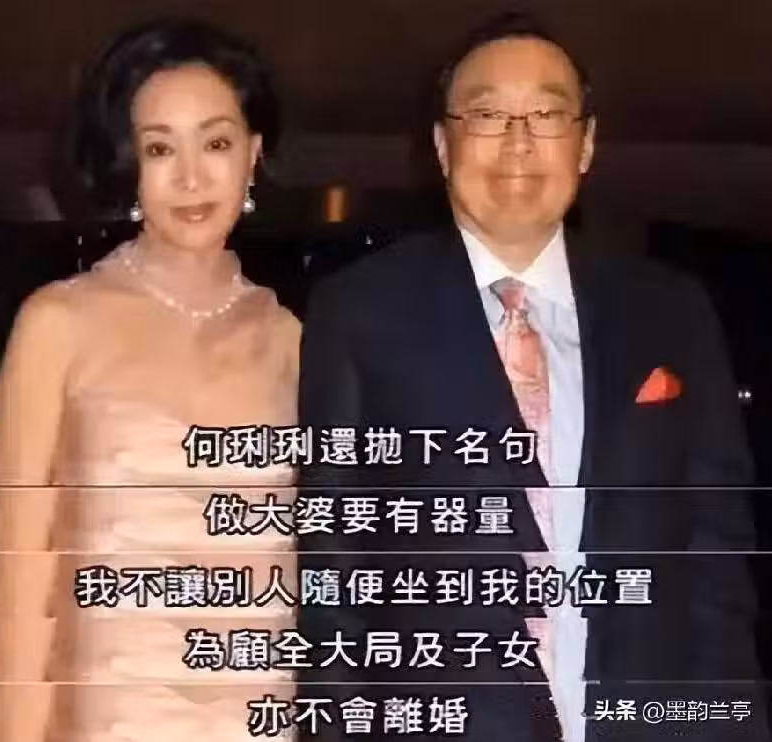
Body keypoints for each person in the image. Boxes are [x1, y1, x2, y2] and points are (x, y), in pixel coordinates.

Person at [298, 13, 766, 742]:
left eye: (547, 115)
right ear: (442, 145)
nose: (518, 141)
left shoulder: (670, 310)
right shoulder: (359, 311)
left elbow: (716, 560)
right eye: (487, 115)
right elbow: (332, 566)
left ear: (586, 143)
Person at [0, 18, 299, 742]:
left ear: (253, 154)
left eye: (215, 143)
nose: (190, 178)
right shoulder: (58, 322)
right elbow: (21, 595)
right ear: (130, 165)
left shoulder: (292, 341)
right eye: (160, 148)